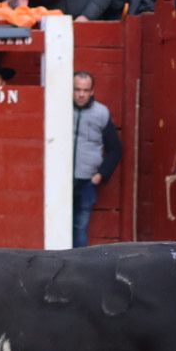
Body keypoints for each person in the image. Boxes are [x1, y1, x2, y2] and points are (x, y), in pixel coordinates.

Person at [70, 70, 121, 248]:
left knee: (80, 228)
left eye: (85, 90)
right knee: (58, 225)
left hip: (87, 182)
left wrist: (100, 175)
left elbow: (115, 149)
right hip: (62, 181)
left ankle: (77, 270)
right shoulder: (60, 108)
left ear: (92, 91)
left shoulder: (101, 113)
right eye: (77, 89)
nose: (81, 94)